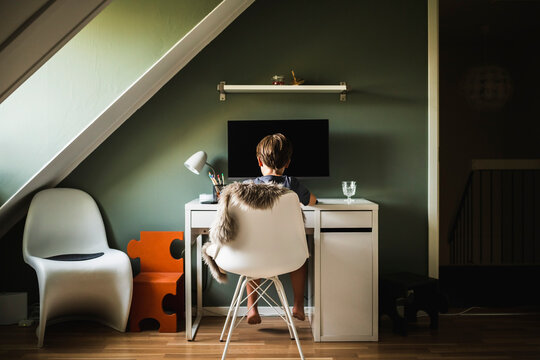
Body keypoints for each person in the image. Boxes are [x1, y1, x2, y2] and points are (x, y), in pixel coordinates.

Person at [244, 133, 316, 325]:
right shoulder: (292, 184)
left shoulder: (247, 187)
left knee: (251, 262)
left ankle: (252, 308)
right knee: (301, 259)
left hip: (256, 252)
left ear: (259, 161)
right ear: (288, 162)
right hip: (287, 253)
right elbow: (311, 202)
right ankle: (298, 306)